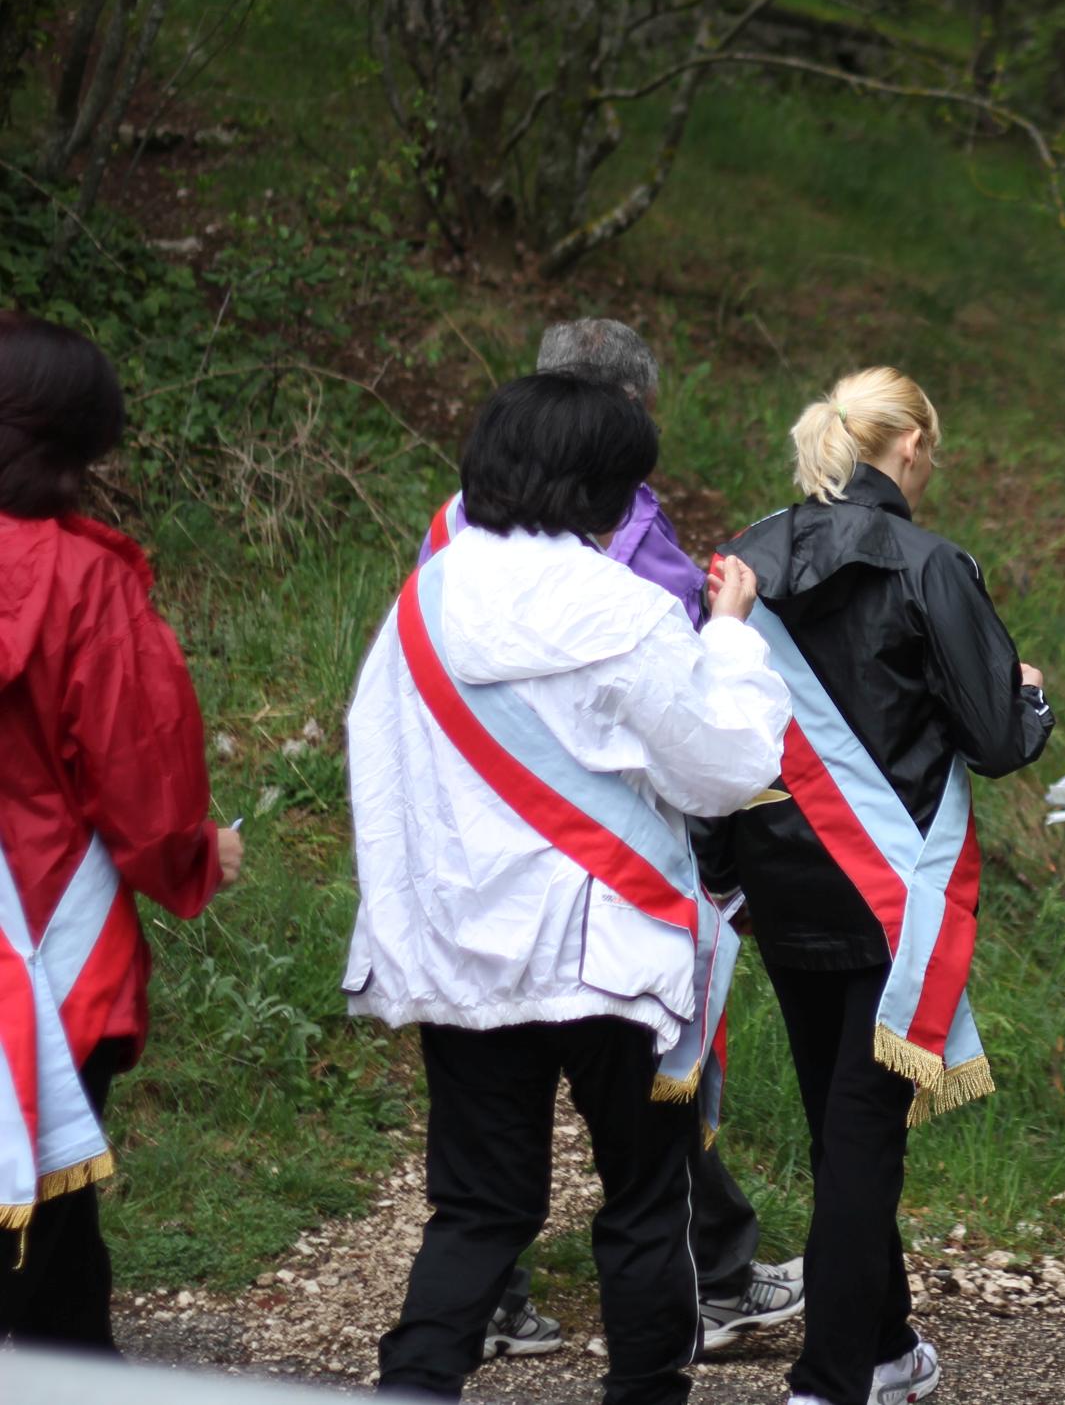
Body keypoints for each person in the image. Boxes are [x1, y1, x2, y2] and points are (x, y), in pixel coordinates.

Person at [345, 374, 792, 1405]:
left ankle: (414, 1387)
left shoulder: (424, 602)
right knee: (644, 1199)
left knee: (477, 1208)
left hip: (463, 952)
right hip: (609, 948)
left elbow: (384, 771)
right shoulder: (624, 608)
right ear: (604, 488)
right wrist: (729, 634)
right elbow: (725, 768)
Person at [699, 365, 1053, 1405]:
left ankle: (887, 1341)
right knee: (861, 1144)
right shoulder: (931, 563)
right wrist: (1030, 700)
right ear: (909, 445)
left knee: (840, 1127)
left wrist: (726, 871)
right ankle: (831, 1376)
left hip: (779, 884)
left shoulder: (747, 558)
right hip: (893, 895)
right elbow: (995, 739)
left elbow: (712, 713)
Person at [0, 314, 244, 1347]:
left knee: (63, 1256)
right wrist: (199, 854)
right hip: (52, 948)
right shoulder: (85, 580)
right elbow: (141, 774)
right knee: (43, 1241)